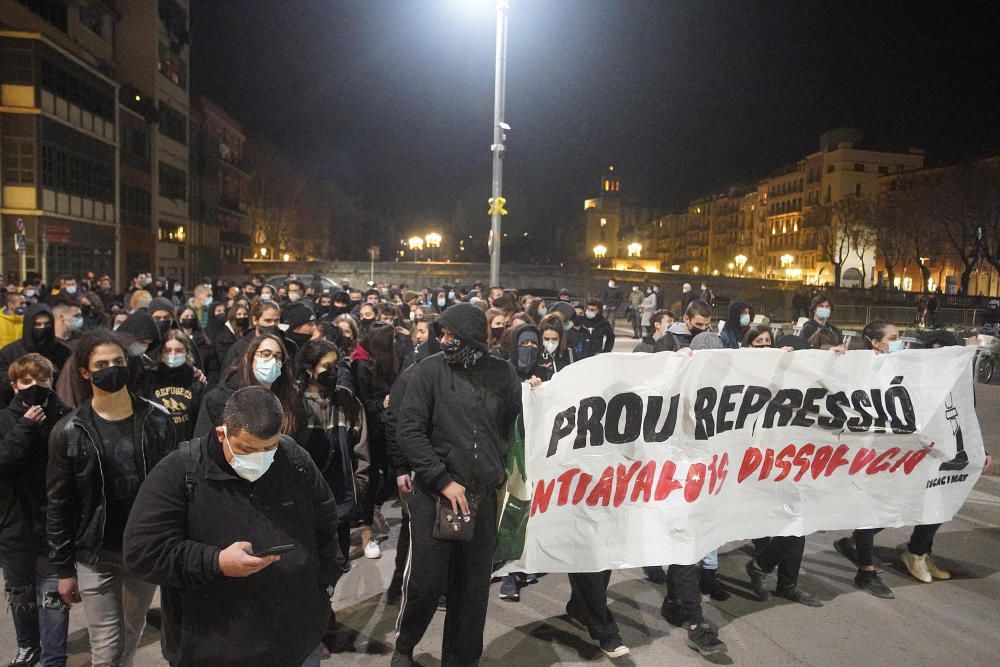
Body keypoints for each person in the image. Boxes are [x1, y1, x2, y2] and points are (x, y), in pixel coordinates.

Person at [123, 386, 345, 666]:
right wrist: (215, 561)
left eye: (269, 448)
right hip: (214, 647)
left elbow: (325, 520)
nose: (260, 459)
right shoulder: (179, 472)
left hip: (296, 640)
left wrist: (323, 586)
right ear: (222, 434)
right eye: (248, 449)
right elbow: (142, 551)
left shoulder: (293, 458)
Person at [393, 304, 521, 667]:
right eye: (441, 334)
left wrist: (537, 393)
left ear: (472, 339)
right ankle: (405, 646)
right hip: (436, 498)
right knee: (426, 584)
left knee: (472, 591)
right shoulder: (428, 372)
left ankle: (462, 660)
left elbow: (516, 423)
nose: (444, 341)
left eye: (451, 335)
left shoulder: (503, 372)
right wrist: (442, 479)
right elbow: (409, 430)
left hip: (482, 499)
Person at [46, 330, 176, 667]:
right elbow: (59, 503)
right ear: (85, 372)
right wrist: (63, 568)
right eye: (101, 364)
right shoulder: (69, 430)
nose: (112, 369)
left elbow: (175, 488)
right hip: (96, 552)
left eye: (118, 361)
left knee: (131, 636)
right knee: (105, 648)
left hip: (143, 548)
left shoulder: (157, 419)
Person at [0, 354, 71, 667]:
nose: (35, 387)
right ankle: (28, 647)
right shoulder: (4, 419)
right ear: (15, 385)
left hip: (55, 519)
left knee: (54, 591)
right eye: (27, 381)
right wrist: (25, 427)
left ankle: (54, 655)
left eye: (41, 380)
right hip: (15, 521)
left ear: (51, 381)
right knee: (21, 591)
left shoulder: (65, 416)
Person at [195, 333, 301, 439]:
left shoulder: (289, 400)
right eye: (265, 354)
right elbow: (203, 445)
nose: (272, 361)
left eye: (278, 357)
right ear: (248, 358)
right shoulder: (219, 399)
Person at [353, 324, 400, 559]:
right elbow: (360, 404)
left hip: (389, 426)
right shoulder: (361, 365)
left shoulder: (388, 362)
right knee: (371, 478)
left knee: (394, 473)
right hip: (371, 430)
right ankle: (366, 530)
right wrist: (381, 404)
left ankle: (376, 508)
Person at [0, 304, 72, 410]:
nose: (43, 329)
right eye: (37, 324)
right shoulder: (9, 352)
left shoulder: (63, 350)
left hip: (55, 411)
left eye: (47, 324)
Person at [140, 330, 205, 442]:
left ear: (187, 352)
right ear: (161, 352)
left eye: (179, 350)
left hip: (186, 442)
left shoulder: (194, 378)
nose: (173, 355)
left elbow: (200, 418)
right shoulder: (149, 378)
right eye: (168, 350)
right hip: (156, 442)